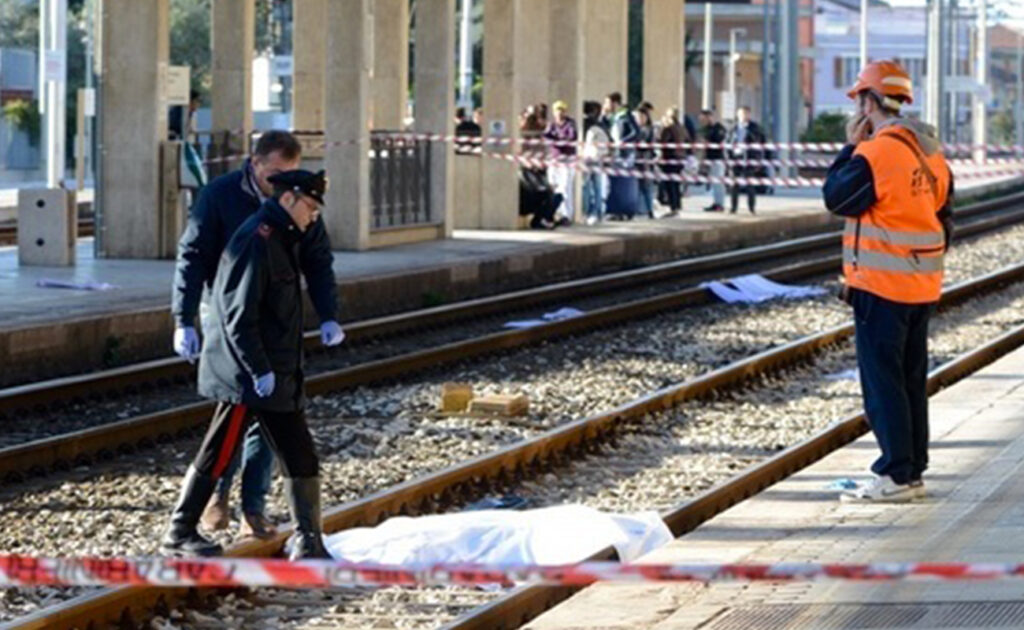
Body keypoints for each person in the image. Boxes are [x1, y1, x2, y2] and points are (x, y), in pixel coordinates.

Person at [171, 131, 343, 541]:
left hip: (272, 352)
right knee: (223, 444)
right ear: (257, 164)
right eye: (278, 174)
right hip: (241, 347)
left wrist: (329, 315)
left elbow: (318, 262)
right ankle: (186, 525)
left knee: (291, 447)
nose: (314, 216)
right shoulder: (241, 218)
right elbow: (201, 267)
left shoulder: (293, 224)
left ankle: (278, 521)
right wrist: (184, 318)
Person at [822, 60, 954, 503]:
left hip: (881, 287)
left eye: (859, 97)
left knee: (883, 383)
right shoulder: (931, 152)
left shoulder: (876, 152)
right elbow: (943, 216)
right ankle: (912, 469)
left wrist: (849, 146)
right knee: (911, 379)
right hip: (922, 286)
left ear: (868, 102)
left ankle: (895, 474)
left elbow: (837, 197)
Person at [519, 112, 560, 229]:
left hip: (538, 171)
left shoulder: (540, 140)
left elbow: (546, 155)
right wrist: (530, 164)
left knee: (553, 194)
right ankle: (542, 219)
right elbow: (521, 157)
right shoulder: (523, 140)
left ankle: (544, 218)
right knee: (545, 193)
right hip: (528, 172)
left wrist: (540, 164)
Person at [602, 92, 640, 220]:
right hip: (614, 153)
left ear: (615, 103)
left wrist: (623, 141)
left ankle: (625, 210)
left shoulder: (625, 116)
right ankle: (614, 210)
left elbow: (636, 132)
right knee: (614, 183)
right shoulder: (612, 117)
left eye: (608, 102)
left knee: (624, 184)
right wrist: (603, 114)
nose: (606, 105)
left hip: (625, 154)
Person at [725, 106, 767, 215]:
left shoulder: (754, 128)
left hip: (749, 158)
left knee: (750, 185)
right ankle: (733, 208)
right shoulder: (733, 128)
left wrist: (759, 159)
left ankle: (751, 208)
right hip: (735, 157)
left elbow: (762, 142)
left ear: (749, 115)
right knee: (734, 185)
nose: (743, 116)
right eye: (741, 114)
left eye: (745, 114)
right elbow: (727, 142)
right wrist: (728, 157)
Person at [543, 100, 578, 226]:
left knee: (565, 188)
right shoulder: (552, 125)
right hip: (554, 159)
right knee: (553, 186)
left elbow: (571, 137)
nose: (559, 113)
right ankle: (554, 213)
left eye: (561, 110)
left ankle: (566, 215)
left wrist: (557, 140)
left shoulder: (570, 124)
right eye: (557, 110)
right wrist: (555, 140)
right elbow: (546, 136)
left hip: (567, 160)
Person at [582, 100, 611, 226]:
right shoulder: (601, 125)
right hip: (598, 157)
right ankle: (597, 212)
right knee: (597, 185)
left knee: (586, 186)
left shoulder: (583, 124)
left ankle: (587, 212)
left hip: (586, 156)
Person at [657, 107, 687, 216]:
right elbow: (688, 140)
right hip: (680, 158)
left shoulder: (668, 129)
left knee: (669, 184)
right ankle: (677, 205)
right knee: (676, 183)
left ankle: (672, 206)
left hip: (669, 158)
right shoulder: (682, 128)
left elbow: (662, 142)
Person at [699, 109, 727, 212]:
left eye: (704, 118)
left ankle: (720, 204)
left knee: (718, 183)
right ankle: (716, 203)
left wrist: (707, 141)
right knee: (714, 183)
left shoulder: (719, 128)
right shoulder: (706, 129)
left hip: (717, 158)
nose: (703, 121)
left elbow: (718, 141)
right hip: (709, 158)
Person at [633, 104, 657, 218]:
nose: (639, 119)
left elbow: (646, 145)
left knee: (646, 186)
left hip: (645, 160)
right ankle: (642, 208)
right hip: (639, 159)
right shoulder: (637, 129)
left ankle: (649, 209)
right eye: (637, 117)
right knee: (639, 186)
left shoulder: (647, 129)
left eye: (641, 116)